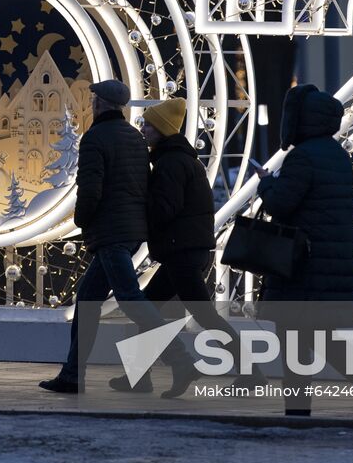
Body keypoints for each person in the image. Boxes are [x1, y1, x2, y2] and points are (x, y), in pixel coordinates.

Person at [40, 79, 195, 396]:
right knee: (87, 300)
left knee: (131, 298)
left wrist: (83, 219)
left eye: (93, 98)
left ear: (100, 104)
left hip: (110, 231)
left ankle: (181, 358)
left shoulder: (96, 138)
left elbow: (90, 188)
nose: (91, 102)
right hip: (131, 231)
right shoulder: (135, 139)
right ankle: (72, 375)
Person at [108, 97, 252, 395]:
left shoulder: (170, 163)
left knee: (201, 315)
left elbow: (164, 208)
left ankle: (252, 373)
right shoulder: (180, 159)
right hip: (186, 249)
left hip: (181, 251)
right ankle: (140, 377)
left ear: (162, 129)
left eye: (148, 124)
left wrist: (137, 204)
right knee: (151, 308)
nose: (143, 129)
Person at [257, 83, 353, 416]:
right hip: (327, 261)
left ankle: (298, 407)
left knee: (298, 339)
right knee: (321, 339)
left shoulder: (302, 157)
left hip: (304, 266)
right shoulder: (336, 155)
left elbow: (282, 203)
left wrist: (266, 182)